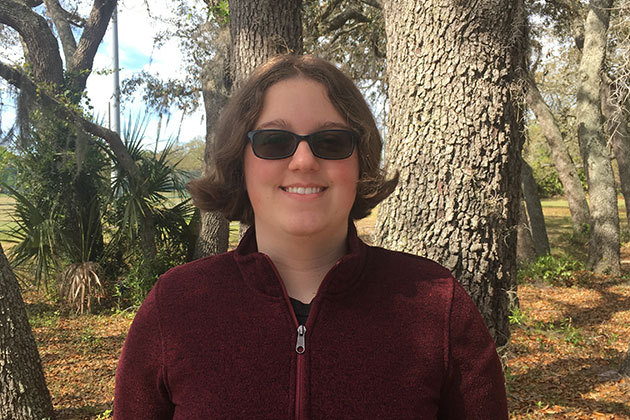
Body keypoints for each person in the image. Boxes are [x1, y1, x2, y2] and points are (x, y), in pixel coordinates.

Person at [113, 54, 508, 419]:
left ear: (360, 160)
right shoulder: (175, 306)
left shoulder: (439, 305)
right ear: (240, 162)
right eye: (274, 141)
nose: (303, 161)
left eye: (331, 141)